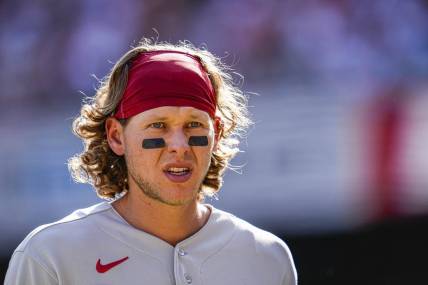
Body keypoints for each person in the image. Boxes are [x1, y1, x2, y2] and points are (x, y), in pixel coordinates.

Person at [5, 39, 297, 285]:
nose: (179, 145)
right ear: (116, 136)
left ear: (216, 133)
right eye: (159, 126)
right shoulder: (49, 256)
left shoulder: (267, 257)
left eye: (194, 125)